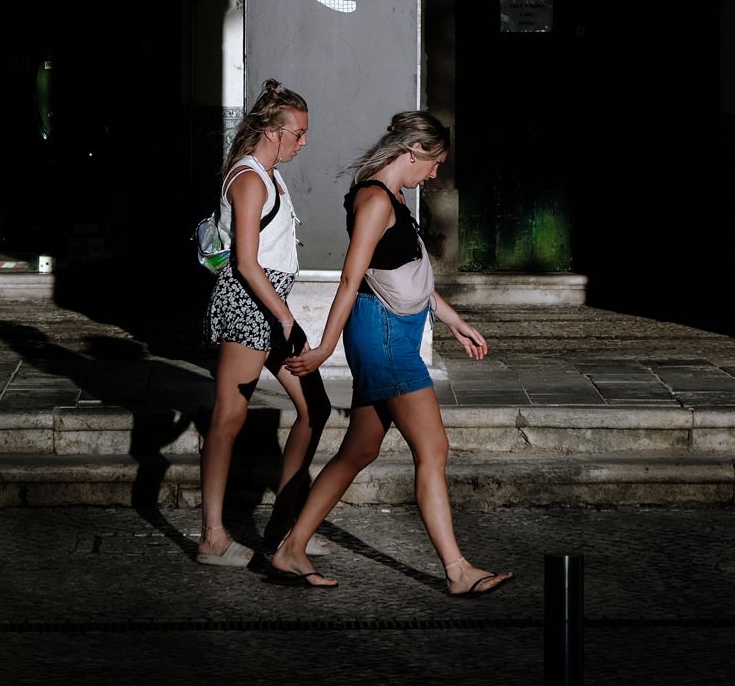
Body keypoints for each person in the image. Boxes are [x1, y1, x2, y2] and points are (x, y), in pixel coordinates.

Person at [270, 111, 512, 597]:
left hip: (394, 330)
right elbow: (350, 279)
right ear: (413, 153)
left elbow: (408, 273)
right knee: (434, 449)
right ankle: (457, 570)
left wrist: (455, 321)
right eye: (434, 163)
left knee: (360, 449)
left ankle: (290, 547)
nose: (435, 173)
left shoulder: (394, 197)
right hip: (381, 336)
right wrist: (323, 350)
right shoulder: (374, 201)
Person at [195, 80, 331, 566]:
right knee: (228, 420)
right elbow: (247, 263)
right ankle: (213, 537)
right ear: (273, 131)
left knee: (315, 408)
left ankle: (283, 530)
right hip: (251, 304)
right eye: (299, 132)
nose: (304, 141)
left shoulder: (270, 175)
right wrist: (287, 317)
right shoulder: (250, 178)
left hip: (271, 304)